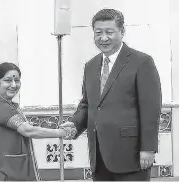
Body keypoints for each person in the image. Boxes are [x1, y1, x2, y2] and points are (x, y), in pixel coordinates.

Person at [61, 9, 162, 181]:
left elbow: (150, 109)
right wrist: (73, 123)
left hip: (131, 155)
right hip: (99, 156)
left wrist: (148, 148)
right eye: (98, 33)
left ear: (122, 32)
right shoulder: (90, 66)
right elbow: (87, 105)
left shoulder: (142, 62)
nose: (103, 38)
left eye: (109, 32)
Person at [0, 62, 75, 181]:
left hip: (10, 168)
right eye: (8, 80)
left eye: (17, 80)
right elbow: (27, 130)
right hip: (1, 172)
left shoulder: (5, 103)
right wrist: (61, 132)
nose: (13, 85)